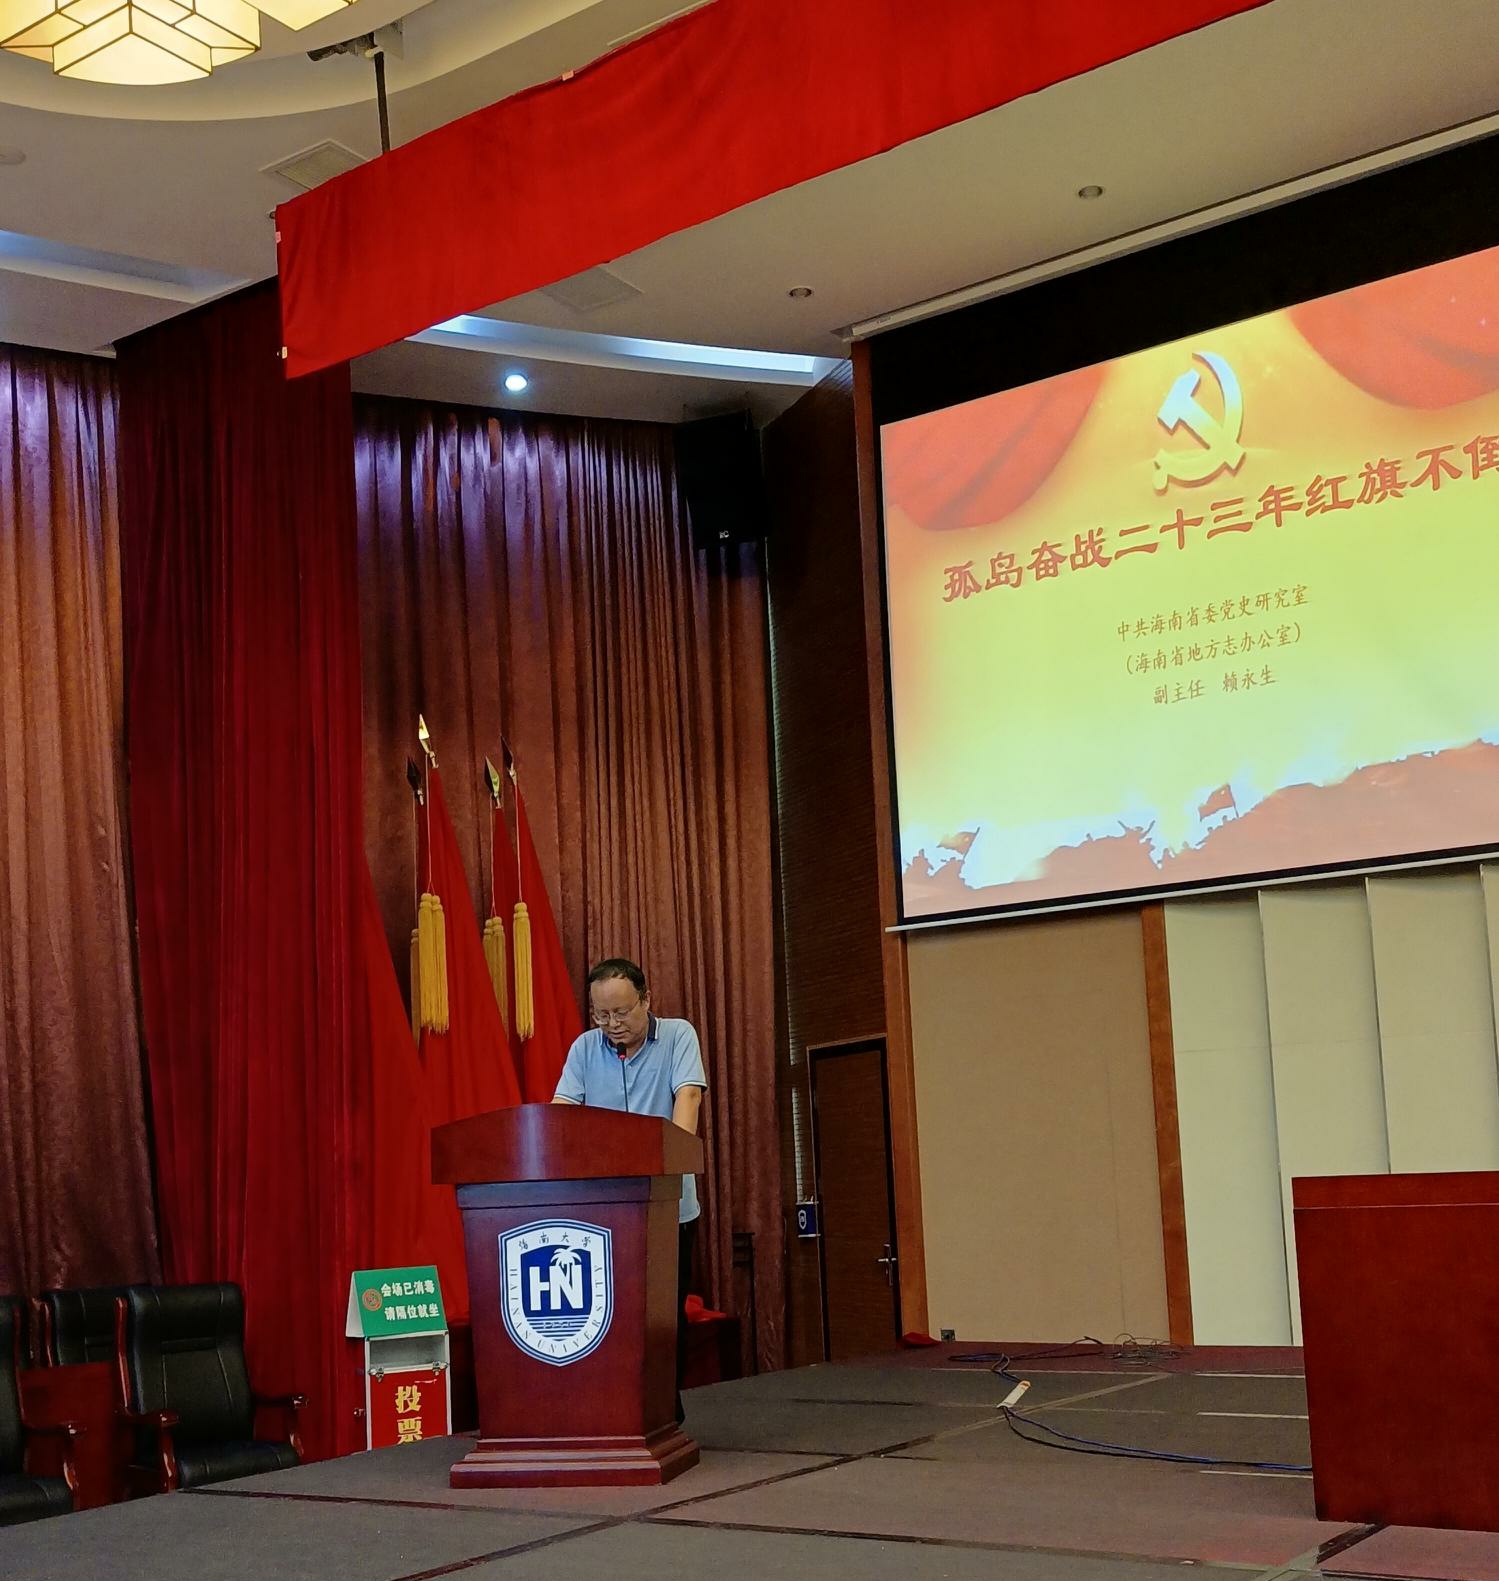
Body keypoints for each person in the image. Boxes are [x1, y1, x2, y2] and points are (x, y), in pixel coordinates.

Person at [551, 957, 706, 1422]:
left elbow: (689, 1096)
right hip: (605, 1212)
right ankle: (611, 1412)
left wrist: (673, 1161)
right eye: (601, 1015)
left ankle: (664, 1412)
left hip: (668, 1207)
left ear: (646, 1000)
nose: (612, 1024)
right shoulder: (585, 1048)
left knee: (663, 1313)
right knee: (609, 1312)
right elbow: (563, 1111)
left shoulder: (677, 1036)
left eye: (621, 1012)